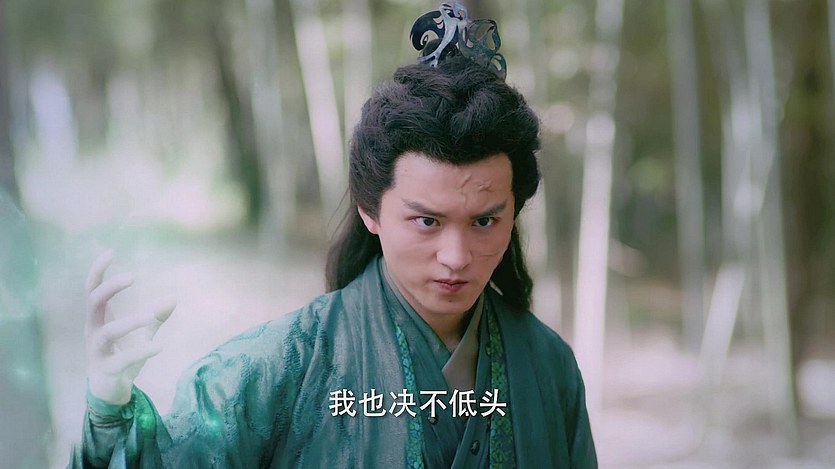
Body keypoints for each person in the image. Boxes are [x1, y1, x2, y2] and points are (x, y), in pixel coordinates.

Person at [72, 3, 597, 467]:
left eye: (484, 221)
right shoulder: (278, 368)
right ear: (370, 210)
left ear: (513, 211)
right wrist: (108, 415)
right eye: (426, 221)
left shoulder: (547, 365)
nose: (456, 257)